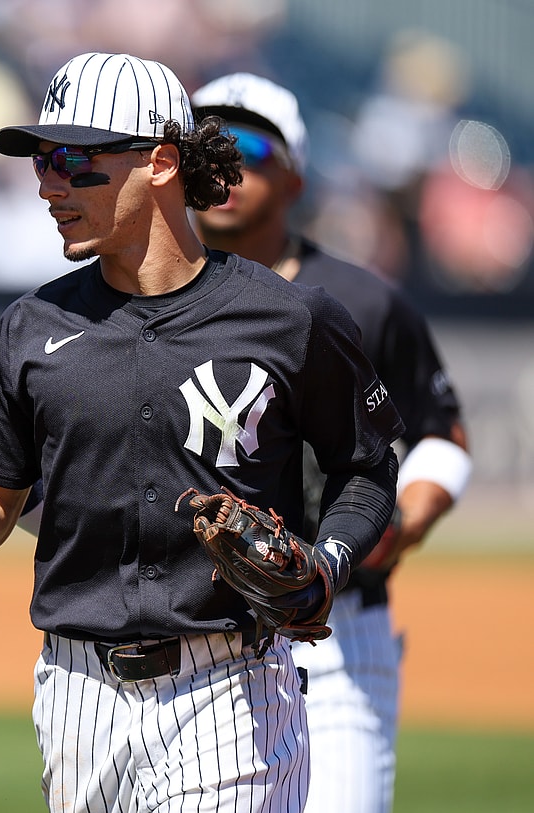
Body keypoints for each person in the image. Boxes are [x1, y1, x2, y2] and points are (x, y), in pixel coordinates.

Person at [0, 51, 405, 812]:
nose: (48, 183)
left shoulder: (289, 317)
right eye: (42, 161)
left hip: (231, 686)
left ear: (163, 161)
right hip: (75, 695)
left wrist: (328, 565)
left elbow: (367, 465)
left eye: (76, 161)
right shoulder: (26, 330)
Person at [190, 72, 472, 813]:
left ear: (295, 174)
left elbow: (444, 434)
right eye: (205, 143)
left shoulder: (365, 299)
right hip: (194, 628)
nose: (225, 164)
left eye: (248, 146)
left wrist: (403, 525)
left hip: (338, 631)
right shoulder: (146, 299)